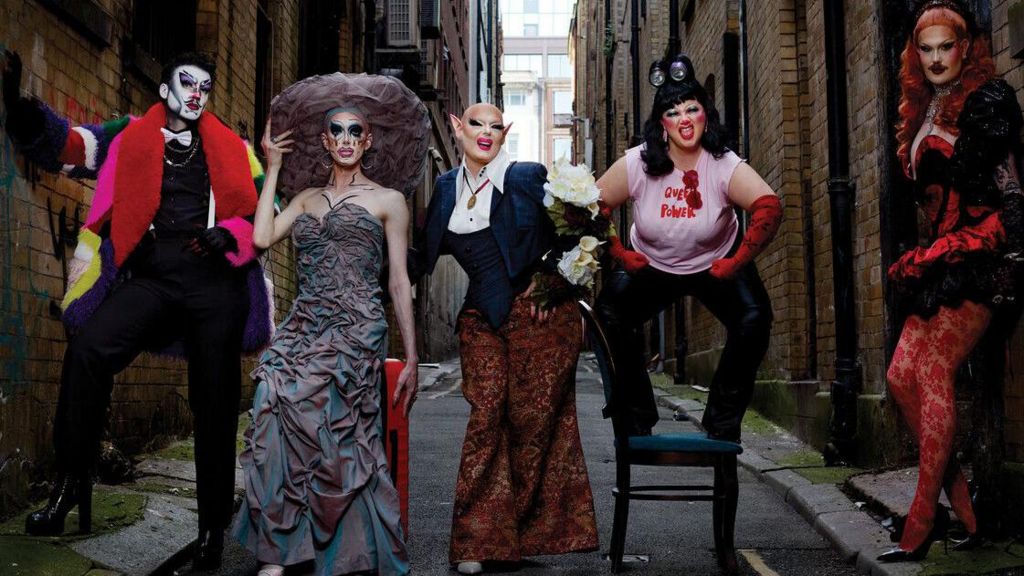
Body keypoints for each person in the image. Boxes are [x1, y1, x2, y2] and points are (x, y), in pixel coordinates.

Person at [1, 50, 271, 572]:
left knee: (214, 398)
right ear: (166, 90)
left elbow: (267, 208)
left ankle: (213, 527)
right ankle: (69, 487)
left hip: (215, 280)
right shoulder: (130, 135)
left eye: (205, 87)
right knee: (87, 350)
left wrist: (231, 233)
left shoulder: (234, 149)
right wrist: (19, 107)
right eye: (186, 83)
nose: (196, 93)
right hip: (152, 275)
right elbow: (72, 146)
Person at [231, 73, 426, 576]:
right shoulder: (306, 199)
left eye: (353, 132)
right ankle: (279, 547)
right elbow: (259, 239)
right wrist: (272, 167)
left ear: (366, 141)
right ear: (324, 140)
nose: (344, 139)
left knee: (334, 434)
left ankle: (342, 548)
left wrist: (412, 355)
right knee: (270, 405)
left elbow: (400, 283)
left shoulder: (389, 202)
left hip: (357, 327)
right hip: (305, 323)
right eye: (334, 131)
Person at [411, 103, 599, 574]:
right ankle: (475, 540)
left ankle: (511, 534)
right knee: (486, 413)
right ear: (457, 127)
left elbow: (589, 230)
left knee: (533, 429)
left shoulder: (525, 177)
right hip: (481, 319)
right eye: (476, 123)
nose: (486, 132)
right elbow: (419, 259)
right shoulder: (445, 187)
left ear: (505, 133)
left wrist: (554, 282)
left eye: (496, 126)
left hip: (538, 319)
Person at [880, 0, 1024, 562]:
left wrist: (1012, 257)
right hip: (941, 257)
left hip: (981, 250)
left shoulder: (987, 102)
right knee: (898, 377)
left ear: (966, 49)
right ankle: (964, 513)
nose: (937, 58)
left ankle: (919, 524)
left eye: (948, 46)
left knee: (933, 367)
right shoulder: (921, 108)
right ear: (916, 54)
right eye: (927, 48)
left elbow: (1010, 186)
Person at [594, 54, 780, 443]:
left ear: (704, 116)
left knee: (754, 318)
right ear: (662, 124)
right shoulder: (639, 163)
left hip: (716, 264)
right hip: (653, 264)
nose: (684, 118)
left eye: (692, 109)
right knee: (608, 312)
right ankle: (637, 410)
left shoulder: (722, 163)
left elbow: (768, 206)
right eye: (673, 112)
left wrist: (738, 262)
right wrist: (618, 254)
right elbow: (592, 205)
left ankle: (722, 421)